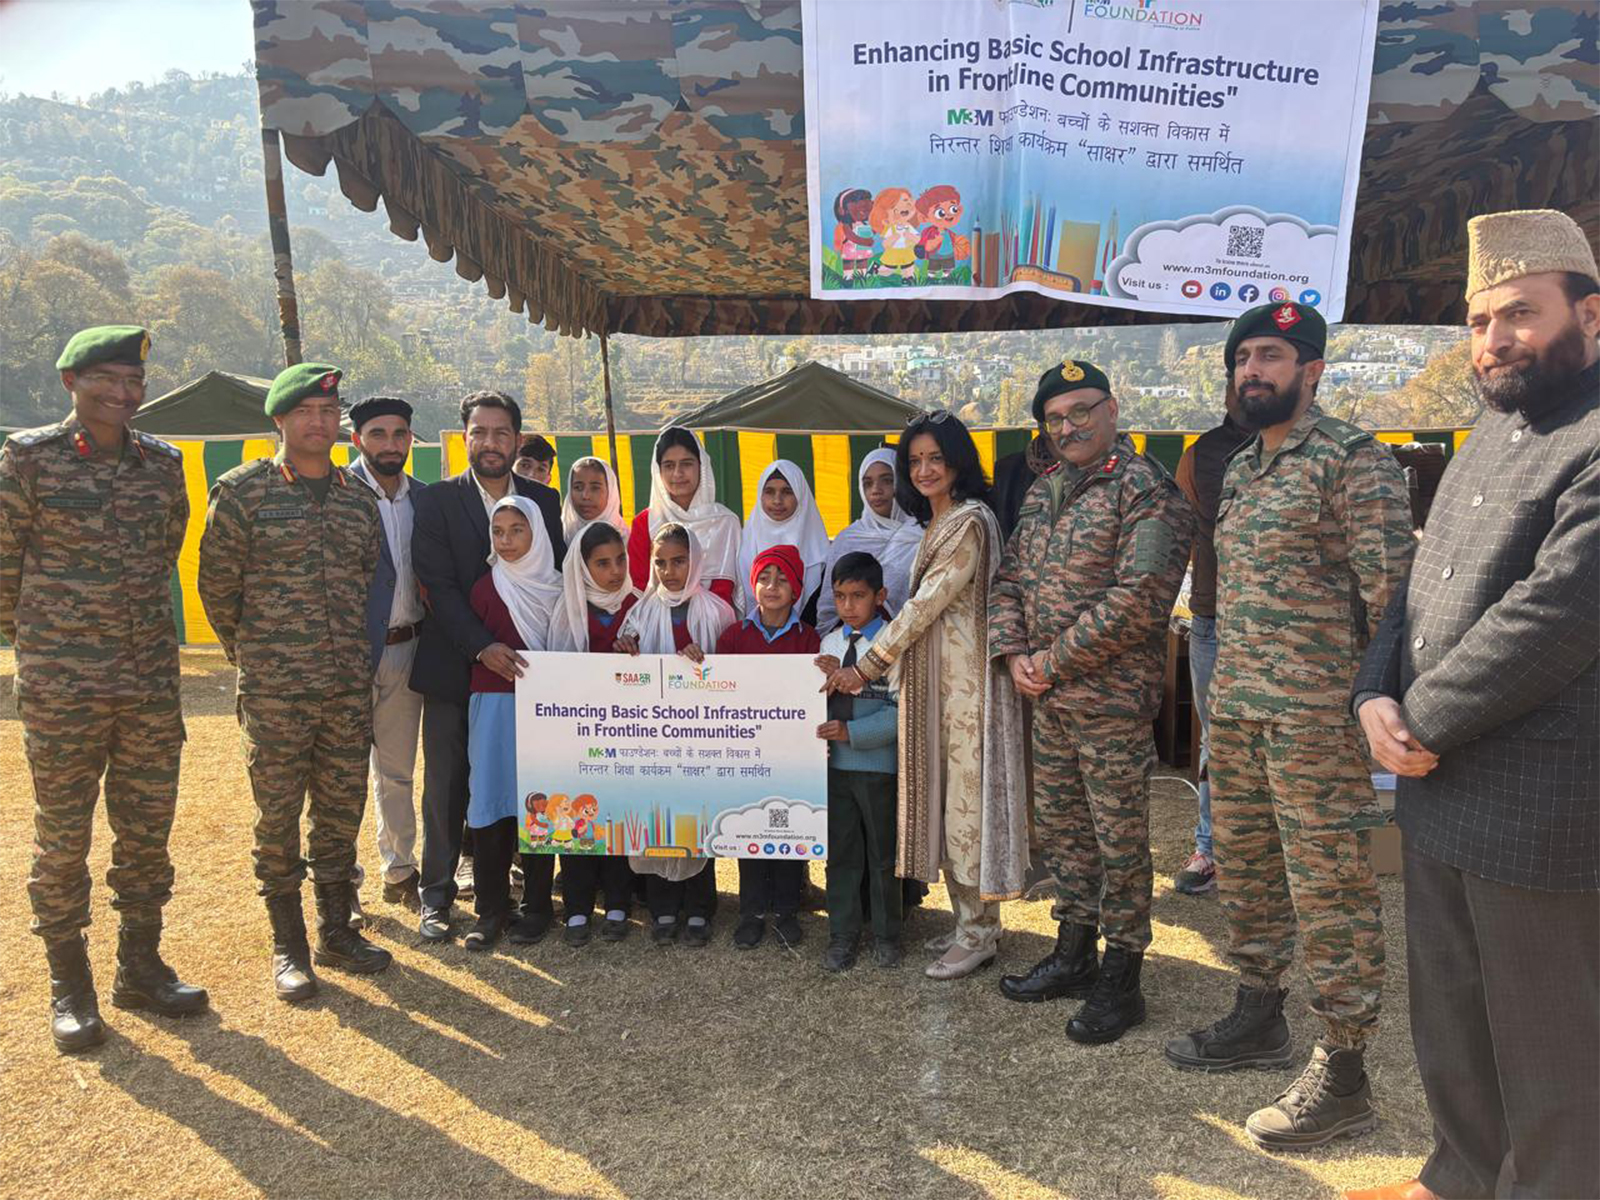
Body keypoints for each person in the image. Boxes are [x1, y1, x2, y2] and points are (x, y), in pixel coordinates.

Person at [1346, 210, 1600, 1200]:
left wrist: (1415, 719)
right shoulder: (1487, 430)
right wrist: (1372, 688)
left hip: (1542, 803)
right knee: (1449, 1016)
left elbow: (1558, 614)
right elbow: (1419, 581)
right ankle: (1457, 1178)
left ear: (1590, 314)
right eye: (1479, 319)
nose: (1492, 340)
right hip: (1438, 790)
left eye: (1519, 315)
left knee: (1549, 1046)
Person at [1162, 302, 1416, 1149]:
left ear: (1311, 369)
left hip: (1319, 728)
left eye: (1269, 356)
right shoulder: (1239, 470)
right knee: (1248, 873)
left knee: (1333, 891)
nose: (1251, 372)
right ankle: (1259, 1013)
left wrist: (1379, 711)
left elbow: (1393, 605)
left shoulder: (1354, 461)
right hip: (1236, 716)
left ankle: (1345, 1077)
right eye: (1242, 359)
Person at [1, 325, 208, 1052]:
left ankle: (139, 968)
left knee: (146, 831)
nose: (123, 394)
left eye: (134, 382)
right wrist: (43, 650)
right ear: (71, 383)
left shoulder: (162, 463)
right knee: (63, 839)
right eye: (107, 380)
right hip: (65, 688)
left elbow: (165, 550)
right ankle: (70, 986)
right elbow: (3, 564)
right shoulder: (28, 460)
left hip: (148, 682)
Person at [990, 360, 1195, 1045]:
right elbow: (1009, 577)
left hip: (1106, 702)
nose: (1069, 426)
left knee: (1120, 841)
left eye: (1082, 411)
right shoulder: (1046, 490)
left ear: (1113, 410)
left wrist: (1050, 661)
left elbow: (1140, 599)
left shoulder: (1145, 490)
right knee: (1065, 833)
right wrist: (1014, 654)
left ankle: (1123, 974)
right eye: (1056, 418)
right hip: (1047, 699)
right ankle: (1074, 950)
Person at [198, 363, 391, 1002]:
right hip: (276, 691)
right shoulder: (242, 492)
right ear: (278, 419)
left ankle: (338, 928)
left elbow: (367, 580)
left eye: (330, 413)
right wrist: (255, 656)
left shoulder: (357, 498)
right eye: (306, 411)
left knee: (340, 810)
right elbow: (217, 588)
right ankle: (289, 945)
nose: (320, 423)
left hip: (344, 689)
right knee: (277, 815)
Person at [823, 412, 1027, 981]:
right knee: (949, 801)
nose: (924, 469)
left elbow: (926, 604)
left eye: (935, 458)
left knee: (967, 804)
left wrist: (866, 666)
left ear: (957, 460)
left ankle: (979, 934)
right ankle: (969, 922)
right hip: (937, 689)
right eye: (915, 461)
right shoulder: (938, 521)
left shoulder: (970, 521)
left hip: (968, 692)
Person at [409, 391, 565, 945]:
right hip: (460, 670)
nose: (491, 443)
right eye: (480, 432)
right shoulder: (436, 501)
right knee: (452, 786)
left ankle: (534, 901)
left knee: (534, 787)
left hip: (534, 679)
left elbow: (558, 583)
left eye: (502, 433)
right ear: (465, 438)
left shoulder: (545, 502)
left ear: (517, 440)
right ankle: (439, 897)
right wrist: (482, 648)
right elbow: (439, 587)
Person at [617, 523, 736, 946]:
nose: (669, 571)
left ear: (696, 561)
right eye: (661, 562)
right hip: (652, 738)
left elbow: (733, 672)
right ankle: (664, 907)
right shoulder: (642, 611)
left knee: (694, 820)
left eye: (679, 561)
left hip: (700, 738)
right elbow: (626, 665)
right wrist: (627, 652)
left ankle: (700, 907)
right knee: (656, 820)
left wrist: (700, 664)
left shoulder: (718, 611)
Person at [462, 496, 564, 951]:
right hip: (493, 707)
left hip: (545, 710)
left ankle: (539, 907)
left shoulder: (560, 588)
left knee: (538, 804)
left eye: (516, 530)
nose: (506, 541)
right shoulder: (485, 587)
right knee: (491, 802)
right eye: (498, 531)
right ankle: (491, 909)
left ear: (537, 532)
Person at [715, 544, 822, 950]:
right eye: (764, 577)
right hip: (745, 755)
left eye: (782, 579)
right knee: (750, 830)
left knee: (790, 829)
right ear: (752, 585)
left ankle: (787, 912)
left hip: (793, 758)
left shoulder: (809, 639)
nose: (772, 586)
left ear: (796, 590)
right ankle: (751, 912)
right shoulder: (733, 637)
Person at [1170, 382, 1252, 897]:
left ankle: (1273, 857)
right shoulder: (1199, 457)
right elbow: (1181, 535)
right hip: (1214, 618)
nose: (1252, 381)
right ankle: (1210, 849)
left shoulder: (1325, 450)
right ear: (1225, 391)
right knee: (1217, 740)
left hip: (1293, 627)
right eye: (1240, 371)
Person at [348, 396, 426, 915]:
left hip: (409, 649)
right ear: (357, 440)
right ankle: (340, 885)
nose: (390, 445)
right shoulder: (335, 493)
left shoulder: (426, 498)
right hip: (349, 655)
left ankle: (399, 870)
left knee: (397, 771)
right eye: (378, 434)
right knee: (341, 775)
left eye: (399, 434)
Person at [547, 520, 642, 945]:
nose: (615, 571)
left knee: (618, 815)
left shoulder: (638, 606)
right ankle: (578, 909)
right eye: (602, 563)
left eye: (620, 559)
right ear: (582, 568)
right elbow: (557, 673)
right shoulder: (568, 610)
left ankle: (619, 903)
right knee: (576, 817)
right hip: (576, 738)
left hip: (625, 737)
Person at [815, 552, 902, 972]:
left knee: (883, 855)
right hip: (835, 770)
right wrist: (823, 682)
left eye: (858, 596)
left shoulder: (892, 644)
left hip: (878, 767)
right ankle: (842, 934)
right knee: (843, 853)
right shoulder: (829, 644)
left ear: (879, 595)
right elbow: (810, 704)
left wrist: (854, 734)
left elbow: (902, 712)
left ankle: (888, 934)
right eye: (840, 596)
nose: (848, 605)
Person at [625, 426, 741, 608]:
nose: (678, 473)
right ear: (658, 470)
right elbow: (638, 586)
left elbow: (726, 589)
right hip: (657, 624)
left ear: (701, 466)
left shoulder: (726, 522)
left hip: (716, 623)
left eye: (686, 464)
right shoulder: (645, 522)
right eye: (669, 465)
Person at [816, 448, 918, 632]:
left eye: (887, 481)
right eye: (867, 483)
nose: (876, 490)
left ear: (902, 483)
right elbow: (829, 607)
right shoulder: (847, 539)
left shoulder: (921, 534)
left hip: (909, 640)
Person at [736, 460, 829, 621]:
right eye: (769, 492)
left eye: (787, 492)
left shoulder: (821, 551)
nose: (777, 500)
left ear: (800, 496)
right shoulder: (742, 544)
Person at [559, 455, 626, 543]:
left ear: (610, 492)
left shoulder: (627, 540)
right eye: (578, 487)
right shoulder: (561, 537)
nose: (585, 496)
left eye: (595, 488)